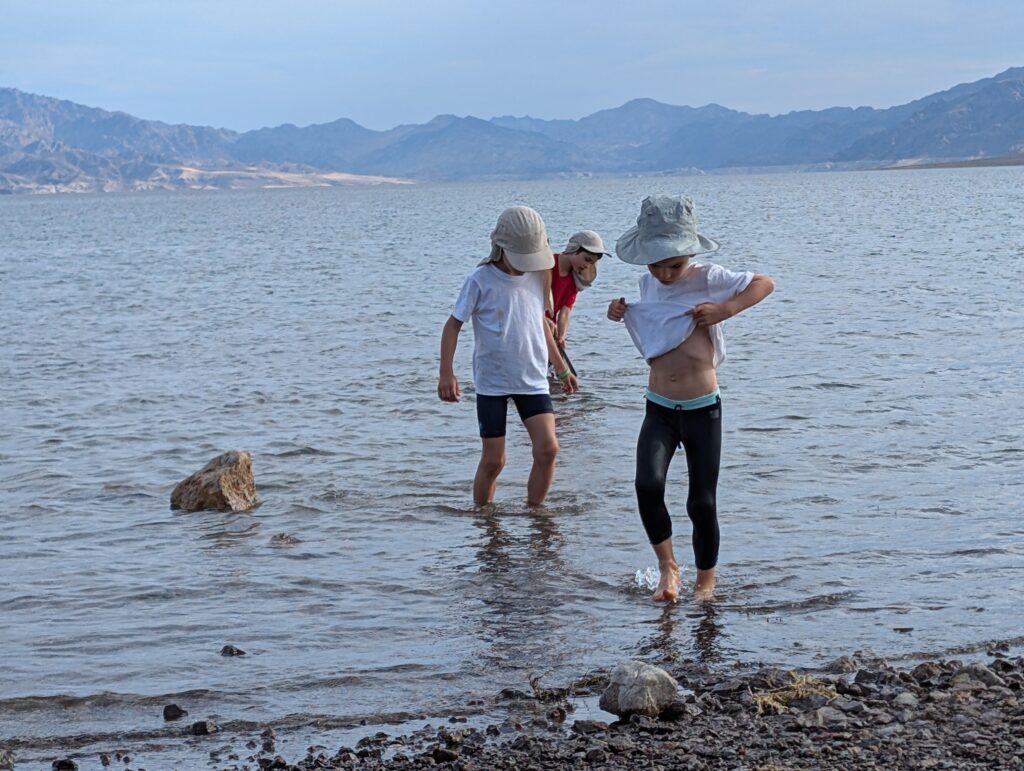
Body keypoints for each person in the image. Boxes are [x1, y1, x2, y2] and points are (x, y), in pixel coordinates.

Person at [607, 194, 774, 602]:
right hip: (659, 407)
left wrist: (725, 310)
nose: (664, 274)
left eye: (674, 264)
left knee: (701, 502)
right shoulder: (647, 284)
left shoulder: (709, 278)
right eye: (655, 264)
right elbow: (654, 325)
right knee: (647, 485)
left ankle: (705, 583)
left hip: (703, 409)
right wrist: (619, 311)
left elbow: (764, 283)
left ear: (690, 254)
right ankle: (668, 568)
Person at [439, 205, 579, 507]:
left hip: (532, 378)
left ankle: (536, 514)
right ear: (501, 247)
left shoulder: (539, 276)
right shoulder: (480, 279)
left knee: (548, 449)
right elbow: (453, 325)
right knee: (494, 461)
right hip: (493, 382)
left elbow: (541, 324)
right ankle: (484, 519)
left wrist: (561, 367)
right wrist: (446, 373)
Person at [546, 230, 609, 351]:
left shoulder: (574, 280)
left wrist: (561, 336)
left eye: (592, 263)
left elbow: (565, 311)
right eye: (586, 259)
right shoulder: (548, 265)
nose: (587, 266)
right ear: (574, 249)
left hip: (551, 331)